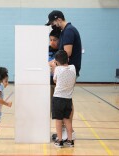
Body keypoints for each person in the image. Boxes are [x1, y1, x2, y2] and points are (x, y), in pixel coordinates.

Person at [46, 10, 82, 140]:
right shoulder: (66, 31)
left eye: (53, 23)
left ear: (59, 20)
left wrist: (53, 64)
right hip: (66, 70)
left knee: (65, 100)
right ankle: (66, 130)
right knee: (64, 99)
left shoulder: (68, 31)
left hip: (68, 71)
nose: (52, 25)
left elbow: (67, 54)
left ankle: (69, 131)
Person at [52, 50, 76, 148]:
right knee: (67, 120)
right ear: (68, 59)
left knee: (58, 120)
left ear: (57, 62)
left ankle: (60, 140)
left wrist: (54, 68)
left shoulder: (57, 69)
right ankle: (70, 141)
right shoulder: (73, 68)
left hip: (58, 98)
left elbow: (55, 80)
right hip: (68, 99)